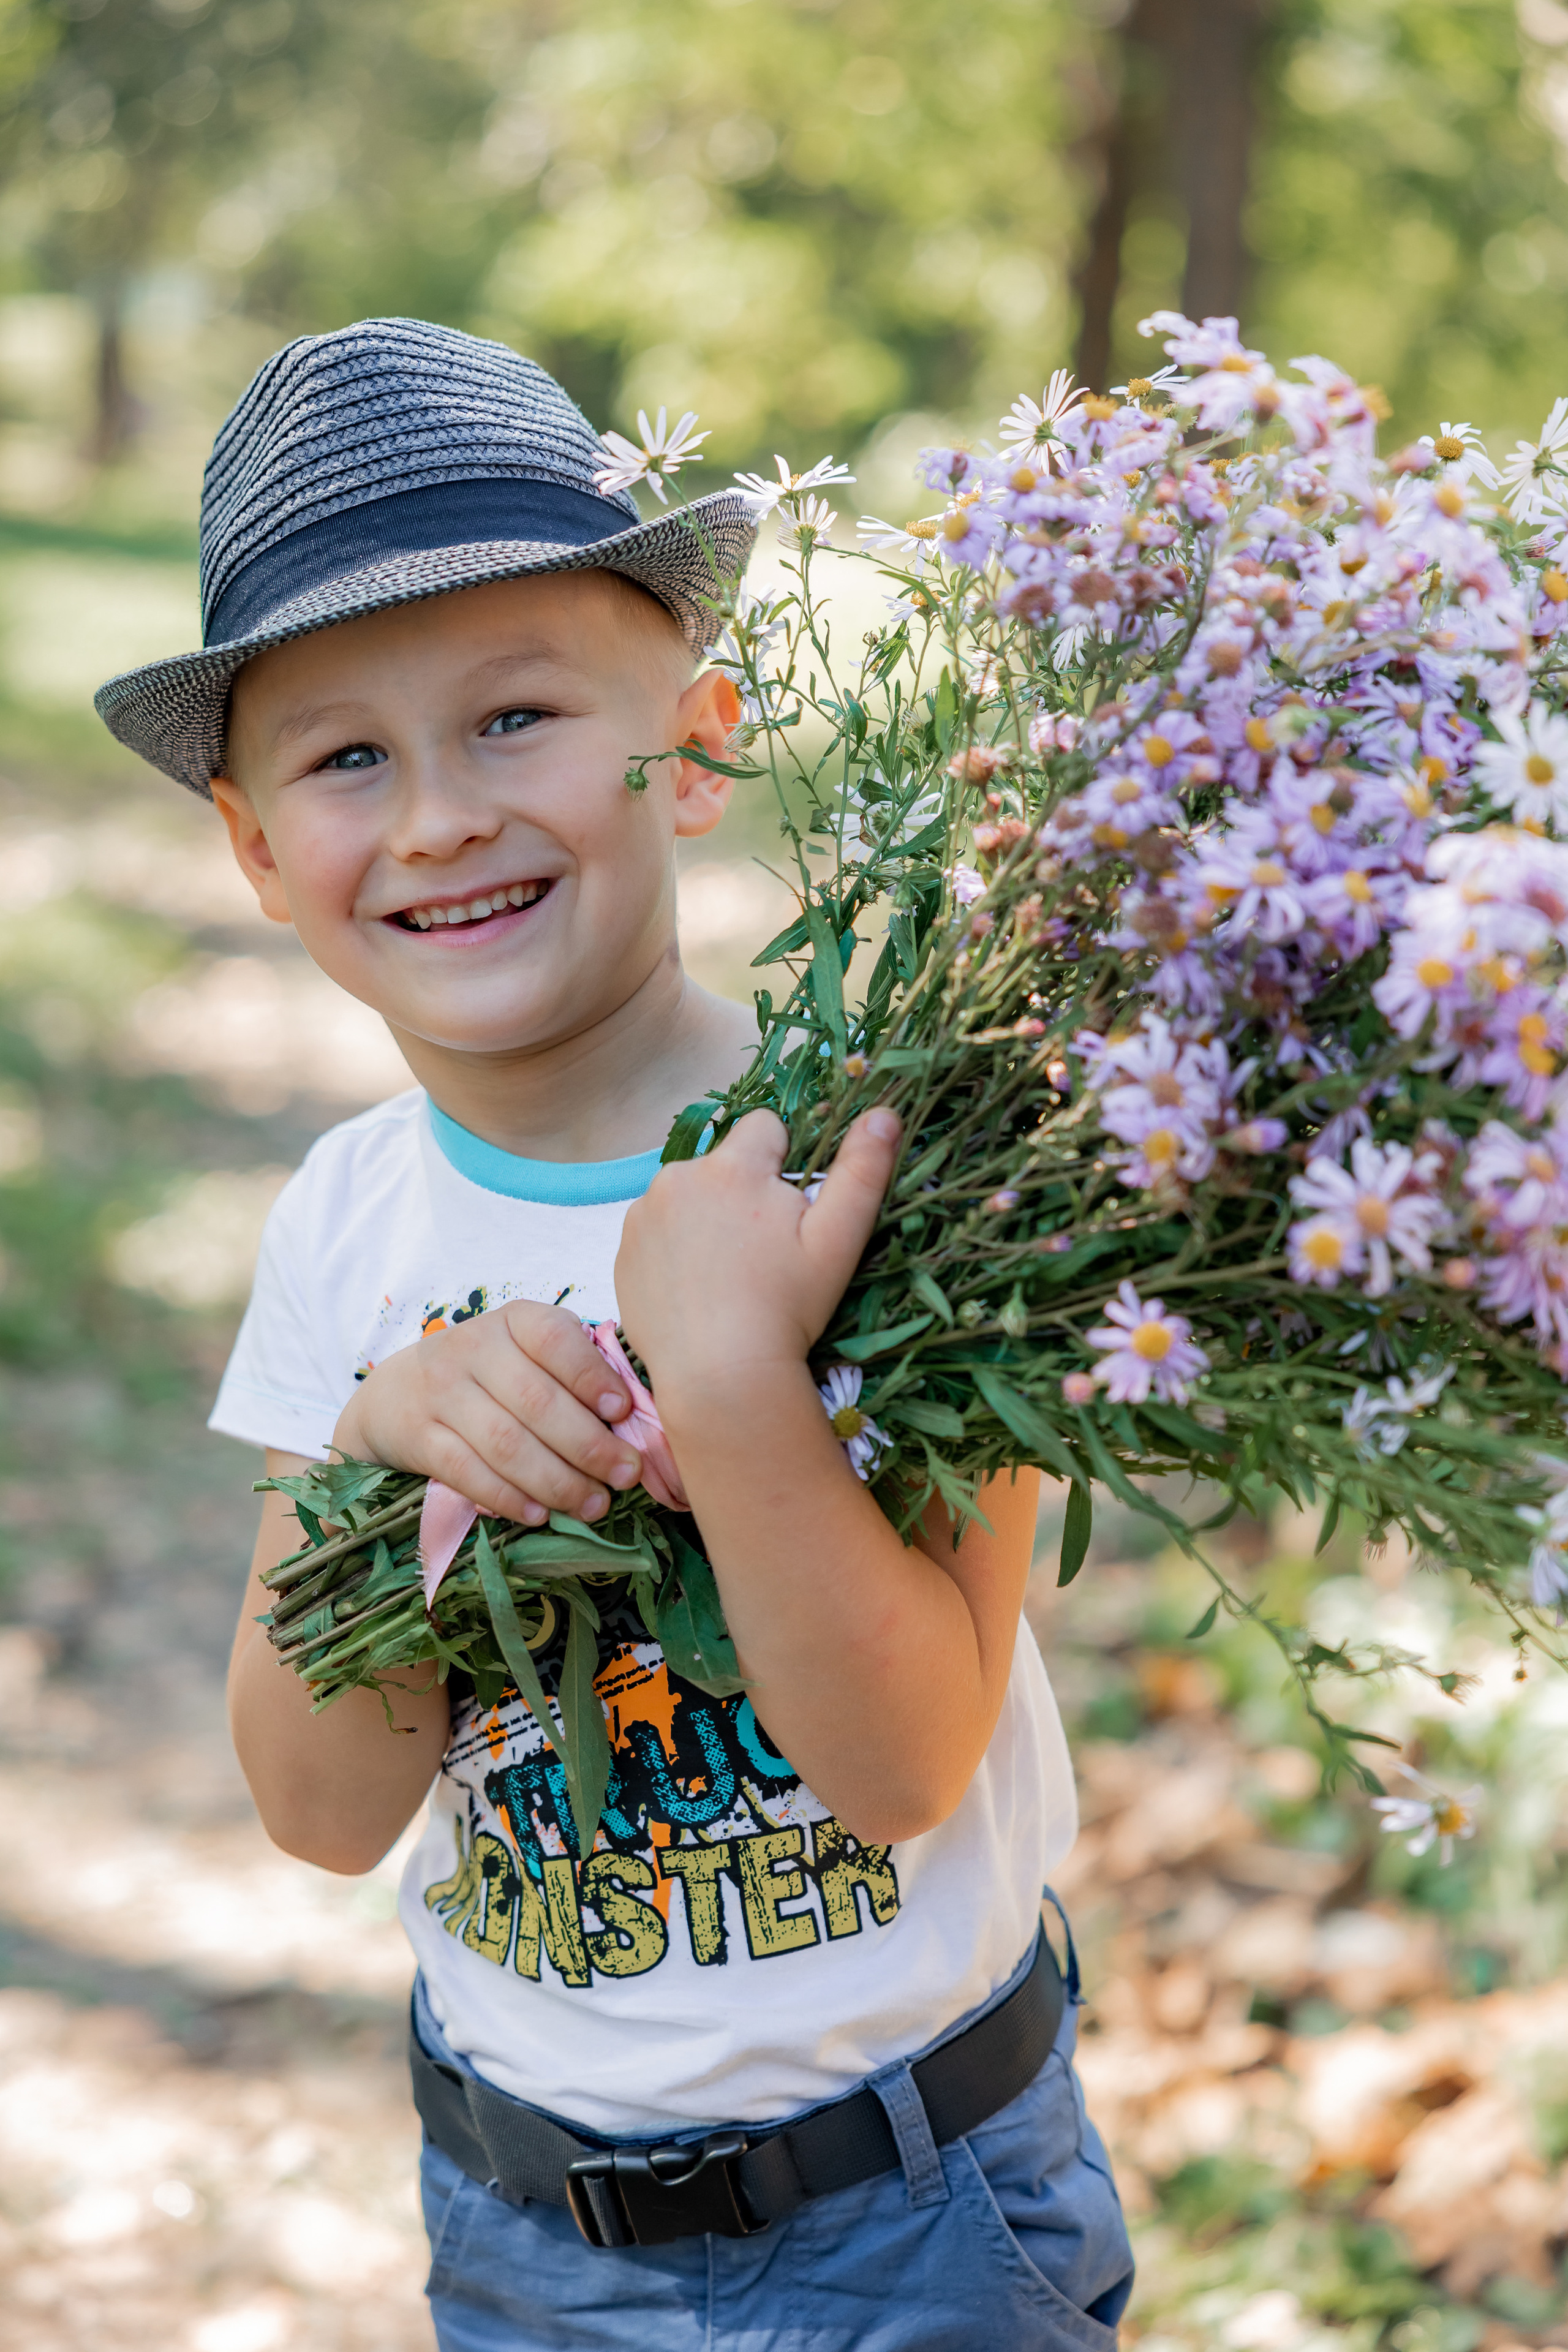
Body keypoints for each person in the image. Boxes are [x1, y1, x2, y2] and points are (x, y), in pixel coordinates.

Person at [95, 318, 1134, 2350]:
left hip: (922, 2220)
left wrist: (734, 1375)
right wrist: (385, 1459)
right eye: (345, 758)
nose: (438, 819)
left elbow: (906, 1758)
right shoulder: (348, 1223)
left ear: (705, 736)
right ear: (254, 851)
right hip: (523, 2234)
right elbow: (316, 1811)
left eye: (516, 718)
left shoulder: (889, 1151)